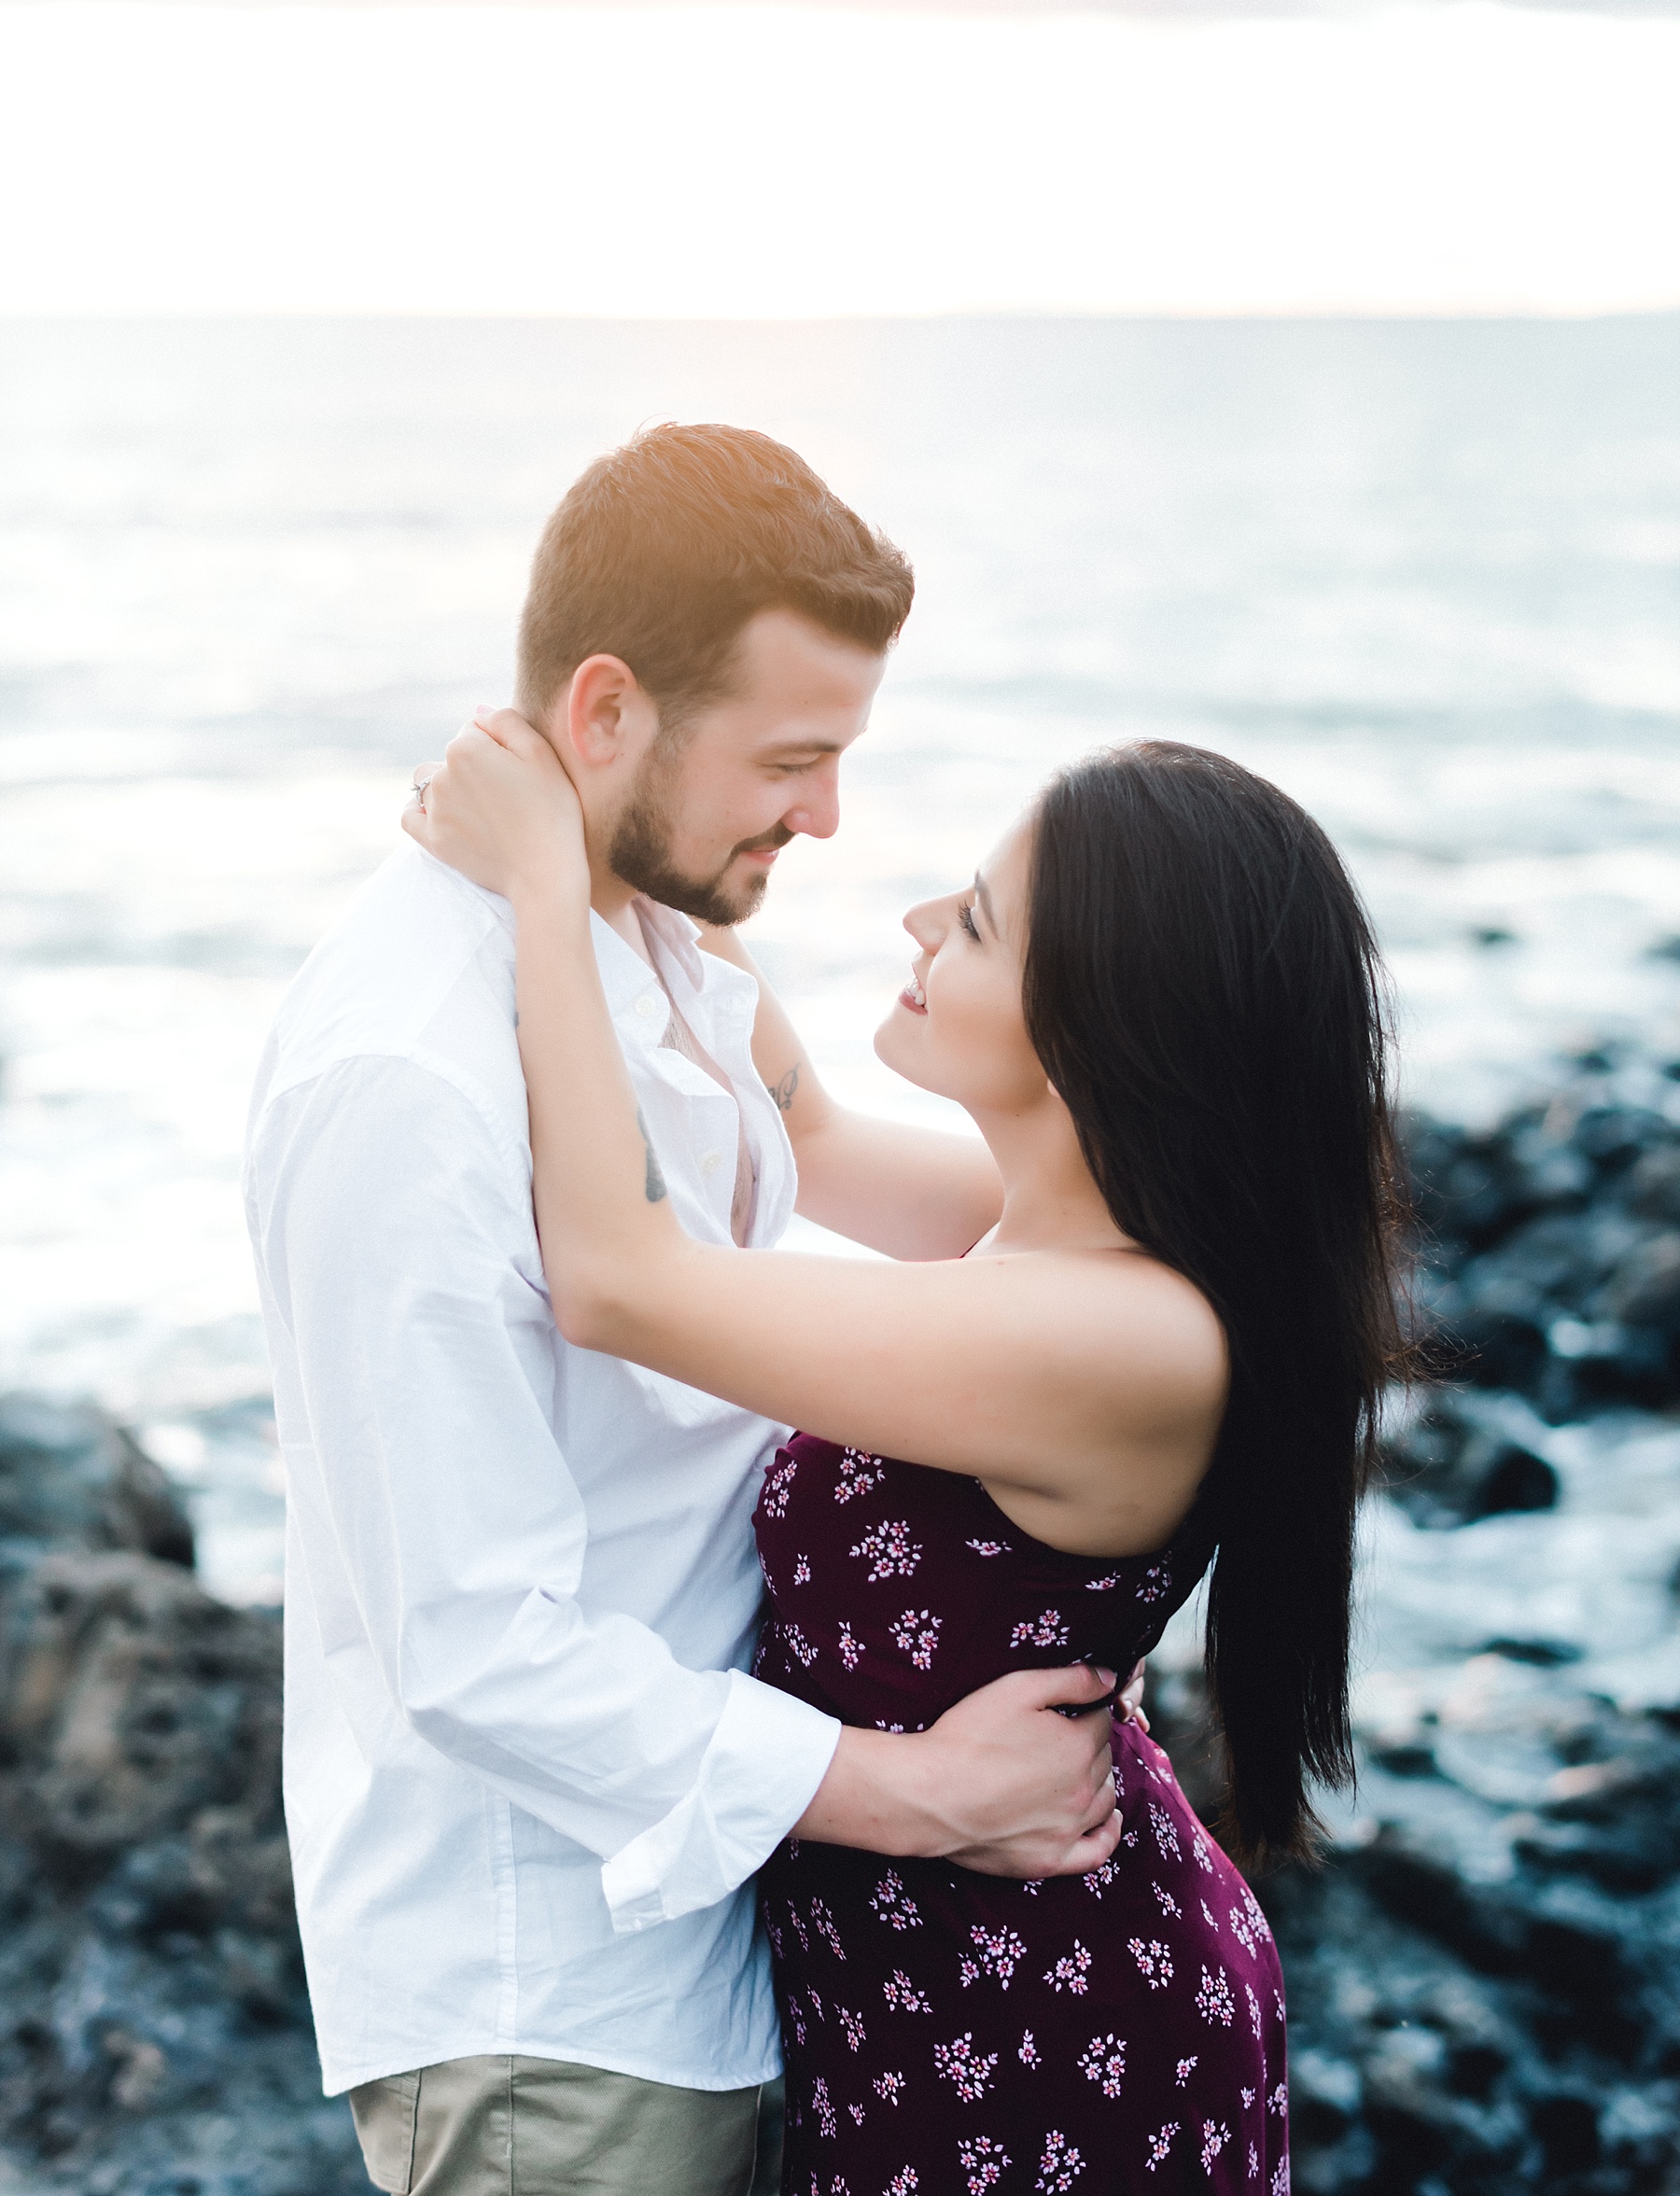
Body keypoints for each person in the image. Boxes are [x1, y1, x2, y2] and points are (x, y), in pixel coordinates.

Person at [244, 426, 1133, 2196]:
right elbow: (476, 1646)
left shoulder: (643, 938)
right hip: (552, 2002)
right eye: (794, 759)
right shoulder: (410, 1075)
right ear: (605, 713)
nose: (825, 818)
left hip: (728, 1940)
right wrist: (923, 1794)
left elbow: (863, 1191)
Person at [408, 712, 1410, 2196]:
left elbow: (619, 1278)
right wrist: (652, 820)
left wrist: (548, 887)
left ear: (1106, 1023)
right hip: (946, 2005)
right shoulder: (1052, 1237)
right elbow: (796, 1120)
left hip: (1046, 2041)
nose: (920, 918)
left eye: (982, 922)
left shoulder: (1119, 1335)